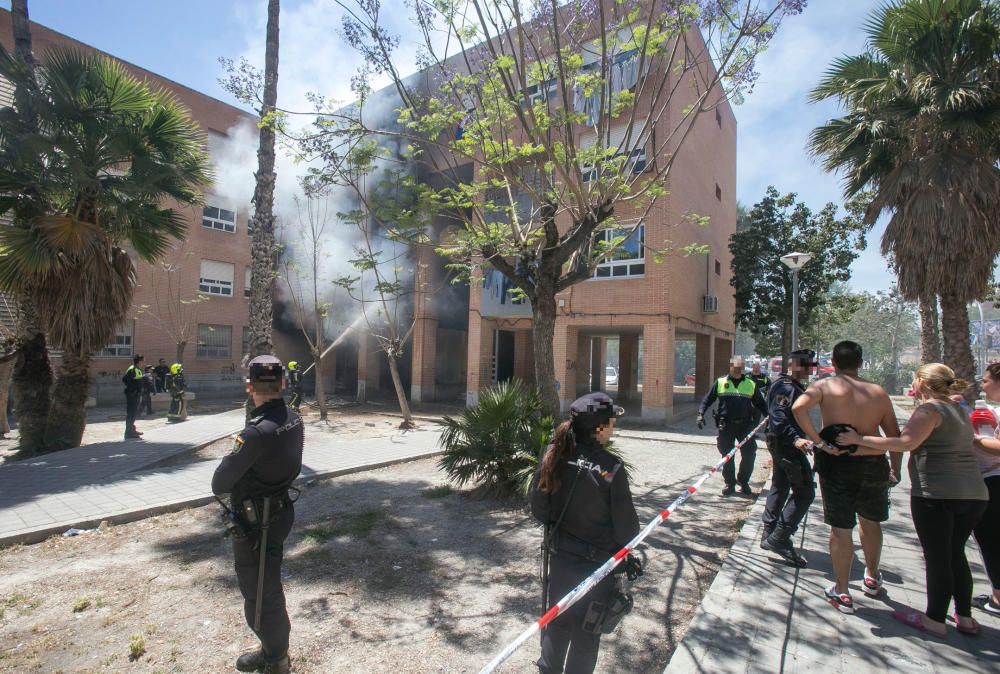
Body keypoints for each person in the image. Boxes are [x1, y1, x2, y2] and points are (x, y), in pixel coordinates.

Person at [837, 364, 988, 636]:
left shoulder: (929, 410)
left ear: (922, 382)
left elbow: (904, 442)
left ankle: (934, 620)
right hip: (974, 493)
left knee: (938, 557)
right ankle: (964, 617)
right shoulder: (959, 410)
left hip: (937, 493)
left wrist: (860, 439)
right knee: (956, 554)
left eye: (914, 380)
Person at [530, 392, 640, 674]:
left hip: (562, 560)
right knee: (586, 636)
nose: (613, 428)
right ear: (599, 427)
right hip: (597, 570)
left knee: (557, 624)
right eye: (612, 422)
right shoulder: (611, 468)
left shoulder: (553, 455)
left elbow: (540, 509)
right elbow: (628, 529)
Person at [792, 340, 901, 614]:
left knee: (841, 529)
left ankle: (842, 591)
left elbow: (797, 408)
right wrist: (895, 468)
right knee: (871, 522)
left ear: (834, 362)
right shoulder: (878, 392)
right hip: (873, 463)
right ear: (860, 362)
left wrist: (819, 441)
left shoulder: (825, 386)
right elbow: (894, 436)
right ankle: (872, 577)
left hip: (838, 464)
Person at [213, 356, 303, 674]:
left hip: (258, 524)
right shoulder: (293, 418)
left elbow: (219, 482)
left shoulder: (256, 434)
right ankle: (272, 649)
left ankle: (276, 658)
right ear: (282, 384)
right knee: (268, 586)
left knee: (260, 593)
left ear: (250, 387)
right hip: (279, 513)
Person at [760, 349, 817, 567]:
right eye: (805, 365)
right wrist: (796, 439)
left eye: (810, 365)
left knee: (780, 484)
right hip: (787, 446)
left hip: (782, 444)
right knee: (805, 492)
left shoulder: (792, 386)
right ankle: (779, 539)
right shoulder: (785, 386)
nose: (808, 370)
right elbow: (779, 417)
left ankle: (769, 533)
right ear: (793, 365)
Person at [697, 355, 768, 496]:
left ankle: (743, 481)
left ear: (742, 367)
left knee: (749, 454)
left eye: (740, 366)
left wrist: (770, 420)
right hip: (726, 426)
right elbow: (707, 400)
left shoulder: (751, 384)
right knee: (727, 456)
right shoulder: (720, 382)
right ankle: (729, 483)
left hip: (745, 426)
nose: (737, 369)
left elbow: (761, 404)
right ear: (730, 366)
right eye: (735, 366)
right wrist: (700, 414)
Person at [971, 362, 1000, 617]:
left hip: (995, 482)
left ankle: (998, 599)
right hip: (990, 478)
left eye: (986, 380)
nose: (983, 385)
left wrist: (975, 439)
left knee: (991, 539)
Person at [122, 354, 144, 439]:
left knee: (134, 413)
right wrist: (133, 390)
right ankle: (128, 433)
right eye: (142, 361)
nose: (143, 362)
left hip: (136, 395)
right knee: (131, 413)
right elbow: (125, 379)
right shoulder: (132, 369)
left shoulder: (137, 369)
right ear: (139, 361)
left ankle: (132, 429)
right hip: (132, 395)